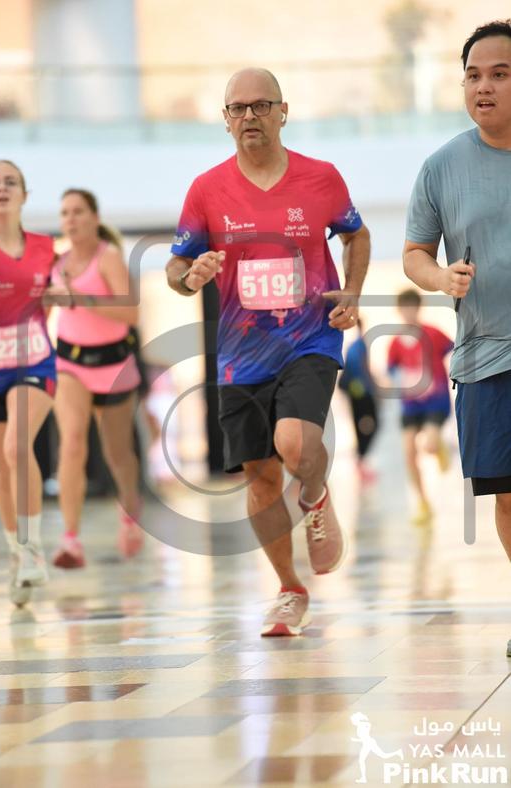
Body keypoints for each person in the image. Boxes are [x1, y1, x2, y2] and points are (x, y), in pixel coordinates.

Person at [166, 68, 370, 636]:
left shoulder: (320, 177)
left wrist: (352, 292)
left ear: (284, 111)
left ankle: (315, 493)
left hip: (310, 337)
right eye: (238, 108)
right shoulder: (207, 189)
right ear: (225, 120)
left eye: (261, 105)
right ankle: (289, 589)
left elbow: (356, 234)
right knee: (259, 477)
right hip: (241, 351)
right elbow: (176, 267)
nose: (249, 116)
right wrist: (190, 276)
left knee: (295, 443)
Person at [402, 20, 511, 653]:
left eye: (499, 74)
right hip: (484, 357)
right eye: (473, 75)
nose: (483, 87)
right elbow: (415, 253)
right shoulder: (441, 167)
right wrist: (441, 277)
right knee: (508, 494)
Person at [48, 189, 143, 569]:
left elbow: (131, 313)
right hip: (70, 362)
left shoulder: (109, 257)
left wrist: (82, 299)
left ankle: (130, 516)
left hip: (113, 363)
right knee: (71, 444)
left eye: (78, 211)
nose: (70, 219)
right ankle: (70, 540)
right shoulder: (57, 263)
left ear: (94, 217)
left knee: (117, 453)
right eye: (65, 213)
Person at [0, 160, 56, 606]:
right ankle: (17, 551)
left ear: (24, 195)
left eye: (10, 182)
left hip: (34, 361)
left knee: (16, 447)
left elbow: (64, 293)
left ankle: (32, 546)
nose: (2, 188)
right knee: (1, 465)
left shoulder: (46, 248)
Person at [387, 289, 453, 524]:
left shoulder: (433, 333)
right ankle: (423, 503)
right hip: (410, 404)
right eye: (404, 308)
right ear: (399, 310)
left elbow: (455, 349)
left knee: (429, 446)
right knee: (409, 453)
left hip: (436, 400)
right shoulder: (396, 342)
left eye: (412, 307)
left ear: (418, 308)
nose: (408, 312)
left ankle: (439, 447)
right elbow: (391, 370)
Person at [338, 318, 379, 484]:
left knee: (361, 425)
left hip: (355, 391)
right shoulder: (358, 345)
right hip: (360, 391)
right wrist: (374, 387)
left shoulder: (354, 345)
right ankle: (361, 460)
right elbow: (363, 368)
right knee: (370, 424)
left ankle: (361, 461)